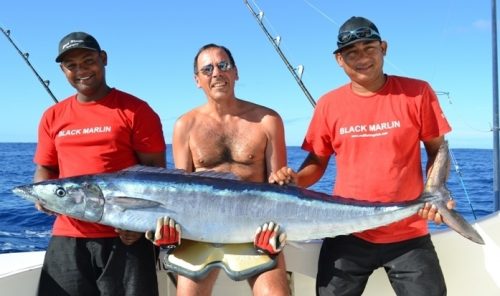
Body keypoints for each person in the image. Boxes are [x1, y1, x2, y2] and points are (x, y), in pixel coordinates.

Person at [269, 17, 454, 296]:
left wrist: (436, 192)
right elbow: (317, 163)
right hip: (347, 232)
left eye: (369, 48)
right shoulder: (328, 104)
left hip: (408, 233)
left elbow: (437, 149)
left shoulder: (418, 93)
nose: (362, 58)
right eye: (352, 53)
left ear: (384, 48)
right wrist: (295, 179)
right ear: (339, 60)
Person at [147, 43, 290, 296]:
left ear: (236, 72)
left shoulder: (268, 120)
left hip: (255, 230)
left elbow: (277, 189)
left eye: (223, 65)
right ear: (197, 80)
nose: (216, 73)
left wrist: (286, 179)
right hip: (200, 232)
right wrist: (167, 231)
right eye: (207, 69)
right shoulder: (185, 125)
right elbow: (182, 191)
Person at [33, 31, 166, 296]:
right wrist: (42, 192)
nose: (81, 70)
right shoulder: (53, 116)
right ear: (62, 70)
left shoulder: (136, 110)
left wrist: (139, 225)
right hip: (67, 235)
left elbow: (157, 178)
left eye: (88, 60)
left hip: (124, 239)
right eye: (71, 65)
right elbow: (45, 169)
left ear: (103, 59)